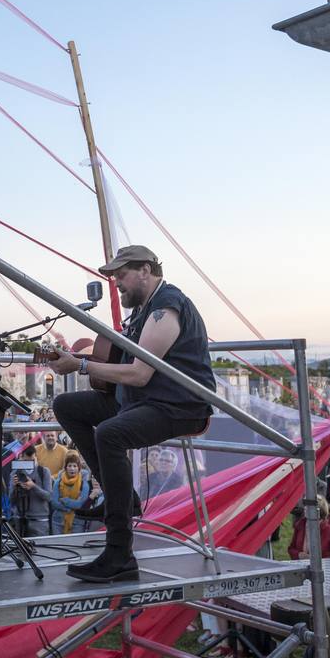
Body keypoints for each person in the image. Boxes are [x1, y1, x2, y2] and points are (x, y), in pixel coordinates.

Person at [47, 245, 215, 583]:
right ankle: (120, 496)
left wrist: (79, 364)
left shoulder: (165, 309)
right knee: (66, 406)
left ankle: (119, 552)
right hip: (143, 401)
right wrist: (80, 357)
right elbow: (121, 365)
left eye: (121, 275)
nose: (116, 283)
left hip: (178, 405)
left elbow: (139, 373)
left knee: (109, 433)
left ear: (146, 271)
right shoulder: (141, 311)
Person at [288, 495, 330, 560]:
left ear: (319, 510)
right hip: (302, 568)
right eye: (305, 505)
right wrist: (299, 555)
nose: (305, 508)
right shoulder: (300, 526)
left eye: (309, 506)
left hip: (325, 569)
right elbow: (291, 549)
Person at [51, 452, 91, 534]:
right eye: (69, 466)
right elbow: (54, 503)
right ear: (65, 468)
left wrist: (65, 500)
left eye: (74, 466)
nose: (72, 469)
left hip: (77, 522)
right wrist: (69, 508)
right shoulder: (58, 482)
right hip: (58, 521)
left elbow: (80, 504)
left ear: (79, 468)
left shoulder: (84, 484)